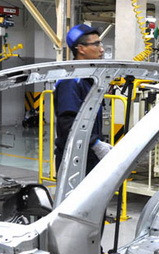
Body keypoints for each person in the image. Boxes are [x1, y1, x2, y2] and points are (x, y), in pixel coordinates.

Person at [55, 23, 111, 175]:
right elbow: (68, 122)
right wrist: (95, 144)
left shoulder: (89, 79)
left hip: (89, 154)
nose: (101, 49)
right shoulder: (70, 81)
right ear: (81, 49)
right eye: (96, 44)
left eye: (100, 44)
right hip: (74, 158)